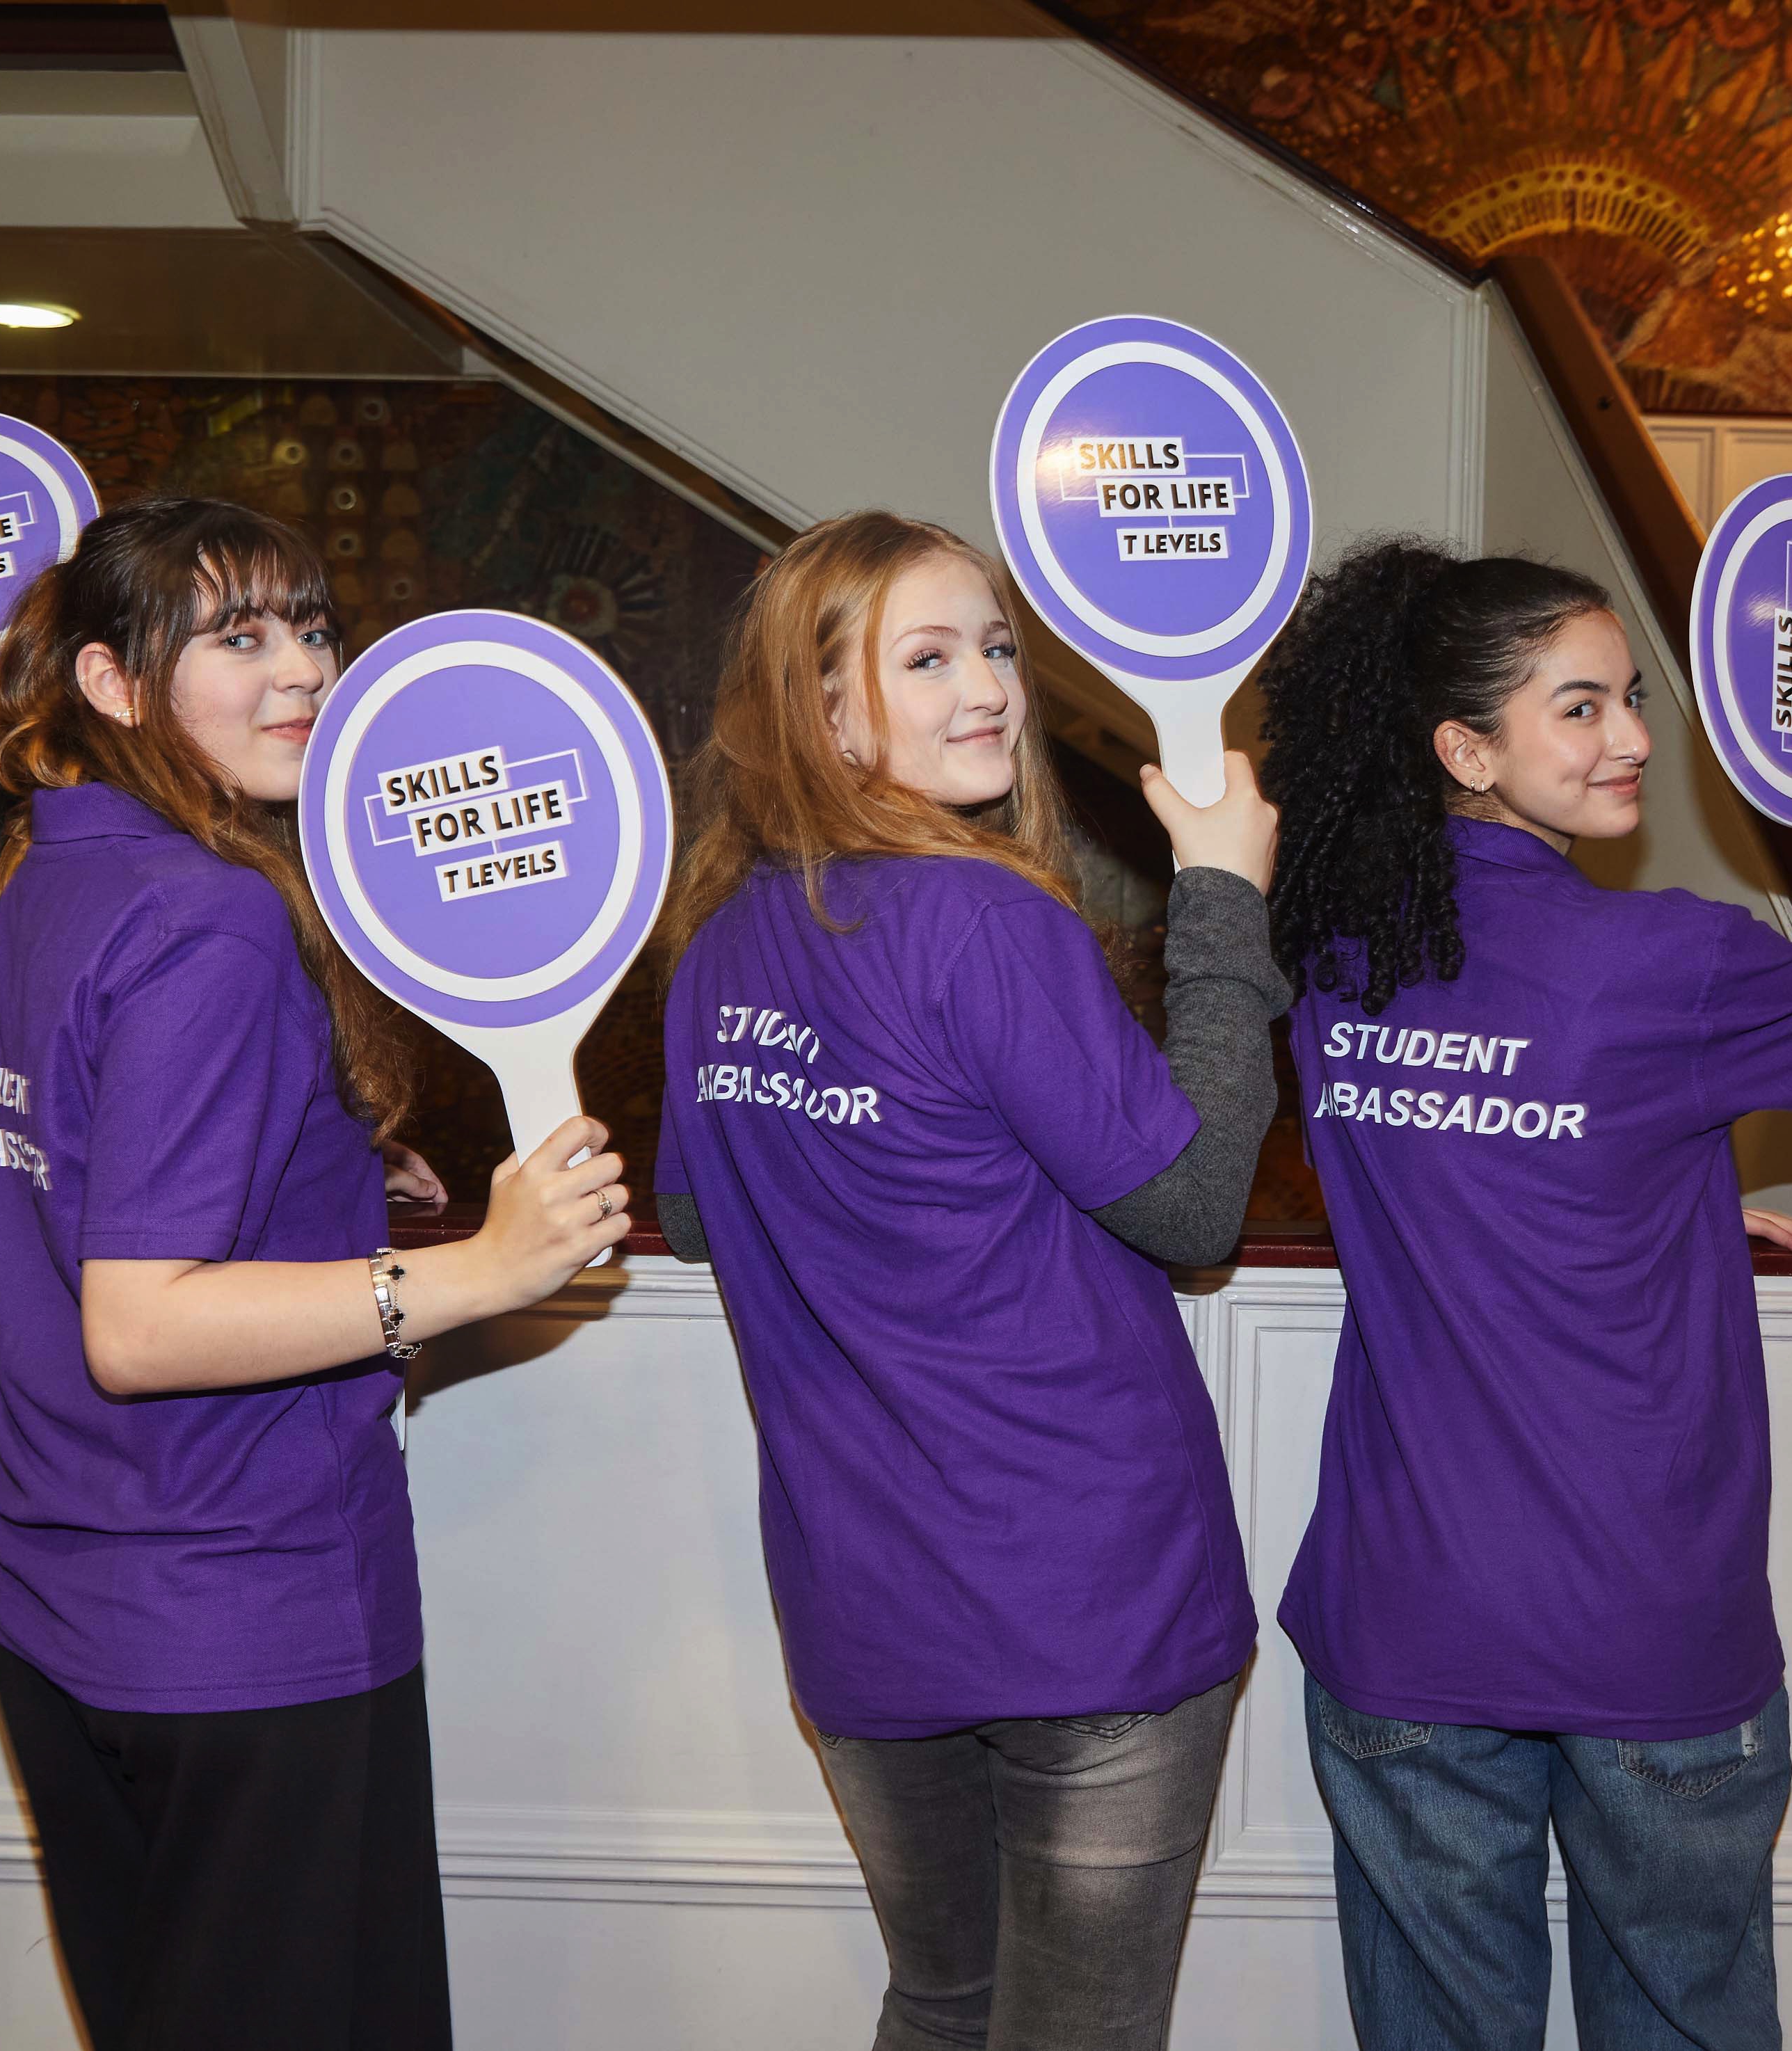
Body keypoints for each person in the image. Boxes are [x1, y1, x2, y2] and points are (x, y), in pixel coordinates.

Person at [1254, 541, 1792, 2051]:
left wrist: (1663, 1188)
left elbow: (1481, 1147)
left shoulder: (1336, 957)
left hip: (1406, 1614)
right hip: (1640, 1617)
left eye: (1628, 701)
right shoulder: (1663, 958)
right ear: (1464, 750)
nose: (1631, 740)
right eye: (1579, 708)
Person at [0, 495, 624, 2051]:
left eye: (311, 627)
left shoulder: (46, 886)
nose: (304, 668)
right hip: (242, 1610)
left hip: (63, 1601)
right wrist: (476, 1271)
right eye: (239, 636)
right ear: (113, 681)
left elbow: (91, 1157)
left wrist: (324, 1158)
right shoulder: (210, 914)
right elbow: (140, 1324)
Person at [653, 510, 1290, 2051]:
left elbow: (692, 1215)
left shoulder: (723, 943)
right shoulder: (988, 922)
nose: (990, 688)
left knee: (942, 2010)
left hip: (867, 1600)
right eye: (927, 659)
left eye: (996, 648)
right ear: (821, 714)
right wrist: (1220, 897)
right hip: (1085, 1596)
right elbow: (1194, 1208)